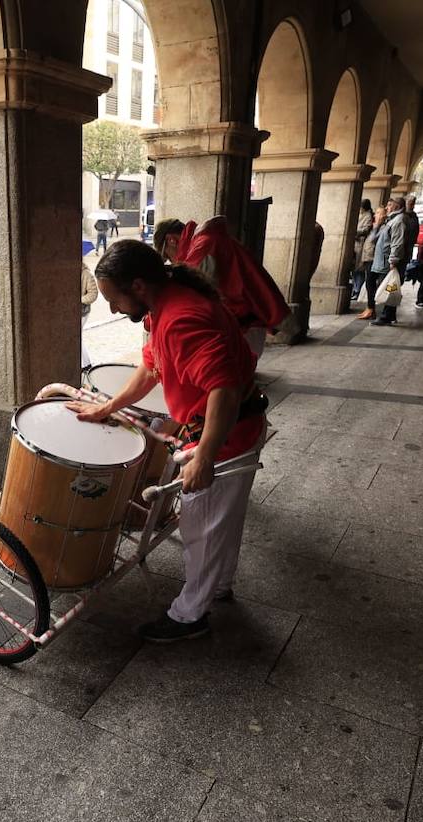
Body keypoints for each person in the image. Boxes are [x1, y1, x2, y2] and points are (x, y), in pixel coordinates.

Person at [74, 240, 265, 642]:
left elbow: (225, 390)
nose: (111, 309)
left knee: (202, 530)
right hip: (230, 429)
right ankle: (219, 585)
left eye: (114, 299)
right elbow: (150, 367)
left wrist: (205, 457)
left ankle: (189, 616)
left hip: (225, 436)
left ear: (139, 286)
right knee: (220, 523)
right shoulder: (165, 305)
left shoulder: (182, 318)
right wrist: (110, 406)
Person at [174, 215, 291, 355]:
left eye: (168, 256)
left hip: (242, 332)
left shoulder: (204, 247)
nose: (172, 261)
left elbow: (188, 295)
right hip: (249, 330)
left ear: (171, 240)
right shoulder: (214, 240)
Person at [368, 197, 410, 326]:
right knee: (390, 287)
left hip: (387, 262)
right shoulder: (393, 220)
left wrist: (393, 260)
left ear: (397, 206)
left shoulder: (398, 221)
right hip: (384, 261)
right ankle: (389, 314)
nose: (387, 207)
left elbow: (397, 242)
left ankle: (387, 315)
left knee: (388, 288)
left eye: (389, 205)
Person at [351, 199, 375, 303]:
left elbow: (365, 230)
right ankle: (356, 289)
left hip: (361, 245)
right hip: (357, 245)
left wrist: (355, 232)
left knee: (359, 270)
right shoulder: (363, 215)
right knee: (355, 270)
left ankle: (357, 290)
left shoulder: (368, 216)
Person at [80, 260, 99, 368]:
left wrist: (79, 300)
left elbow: (93, 294)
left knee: (77, 337)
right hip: (73, 311)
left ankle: (86, 364)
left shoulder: (86, 274)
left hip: (82, 311)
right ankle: (85, 364)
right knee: (78, 337)